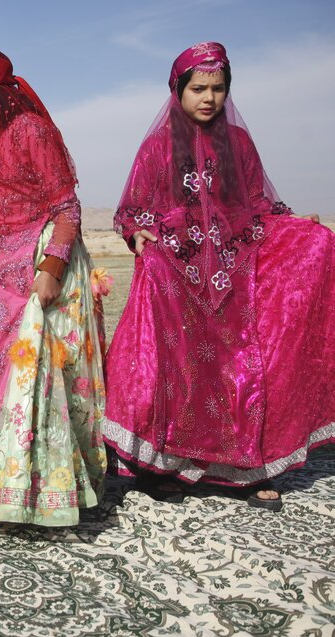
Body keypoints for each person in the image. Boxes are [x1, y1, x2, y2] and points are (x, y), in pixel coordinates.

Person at [102, 42, 334, 510]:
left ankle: (250, 469)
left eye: (218, 88)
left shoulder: (239, 144)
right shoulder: (157, 147)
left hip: (234, 269)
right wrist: (138, 234)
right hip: (176, 269)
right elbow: (131, 210)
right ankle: (163, 468)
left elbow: (258, 204)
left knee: (241, 368)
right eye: (198, 88)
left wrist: (296, 229)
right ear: (178, 91)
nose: (208, 97)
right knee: (179, 369)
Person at [0, 41, 108, 527]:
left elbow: (66, 208)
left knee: (29, 380)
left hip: (35, 274)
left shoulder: (31, 130)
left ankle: (37, 496)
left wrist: (51, 270)